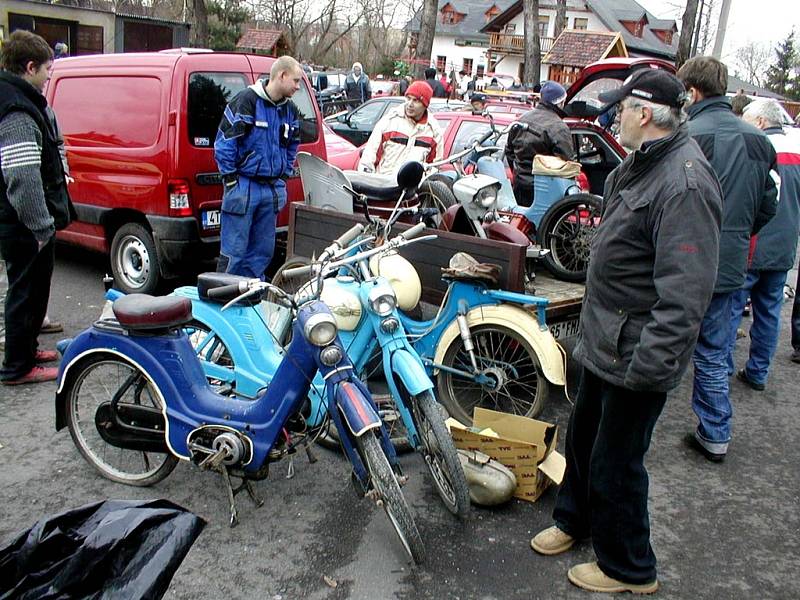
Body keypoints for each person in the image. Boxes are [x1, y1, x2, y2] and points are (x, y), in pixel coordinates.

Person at [531, 69, 722, 595]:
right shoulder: (640, 165)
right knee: (585, 438)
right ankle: (575, 521)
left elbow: (685, 295)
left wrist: (649, 370)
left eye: (620, 106)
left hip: (637, 354)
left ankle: (630, 567)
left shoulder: (684, 182)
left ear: (644, 113)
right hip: (605, 342)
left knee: (618, 461)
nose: (612, 114)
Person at [678, 56, 779, 462]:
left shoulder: (688, 136)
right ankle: (715, 430)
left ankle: (637, 433)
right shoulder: (759, 140)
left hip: (686, 258)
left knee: (663, 338)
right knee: (715, 350)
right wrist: (737, 234)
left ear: (694, 92)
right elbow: (769, 206)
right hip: (732, 260)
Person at [0, 31, 75, 385]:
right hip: (24, 226)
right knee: (24, 293)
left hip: (24, 224)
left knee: (32, 292)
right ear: (30, 67)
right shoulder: (17, 108)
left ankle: (28, 349)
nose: (49, 76)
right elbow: (22, 177)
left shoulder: (20, 98)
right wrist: (42, 227)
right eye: (46, 69)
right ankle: (18, 367)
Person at [727, 99, 800, 386]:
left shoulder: (755, 149)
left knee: (732, 309)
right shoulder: (797, 150)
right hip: (784, 248)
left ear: (759, 122)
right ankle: (758, 371)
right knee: (769, 313)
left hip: (752, 244)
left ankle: (723, 369)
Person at [213, 55, 302, 279]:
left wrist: (284, 173)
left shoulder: (290, 110)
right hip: (243, 187)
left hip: (270, 189)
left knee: (262, 253)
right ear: (281, 75)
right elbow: (225, 143)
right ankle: (223, 298)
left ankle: (251, 301)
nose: (298, 87)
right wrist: (231, 180)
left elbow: (293, 144)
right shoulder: (246, 101)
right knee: (234, 254)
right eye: (296, 80)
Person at [505, 80, 575, 206]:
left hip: (520, 185)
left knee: (520, 223)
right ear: (560, 102)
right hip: (546, 190)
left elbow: (509, 151)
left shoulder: (522, 119)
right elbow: (567, 163)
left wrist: (517, 173)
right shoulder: (559, 127)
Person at [357, 81, 443, 175]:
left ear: (425, 105)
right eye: (408, 98)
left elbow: (434, 167)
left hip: (413, 188)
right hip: (383, 184)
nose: (410, 104)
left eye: (416, 100)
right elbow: (369, 158)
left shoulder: (434, 131)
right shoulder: (389, 122)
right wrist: (368, 182)